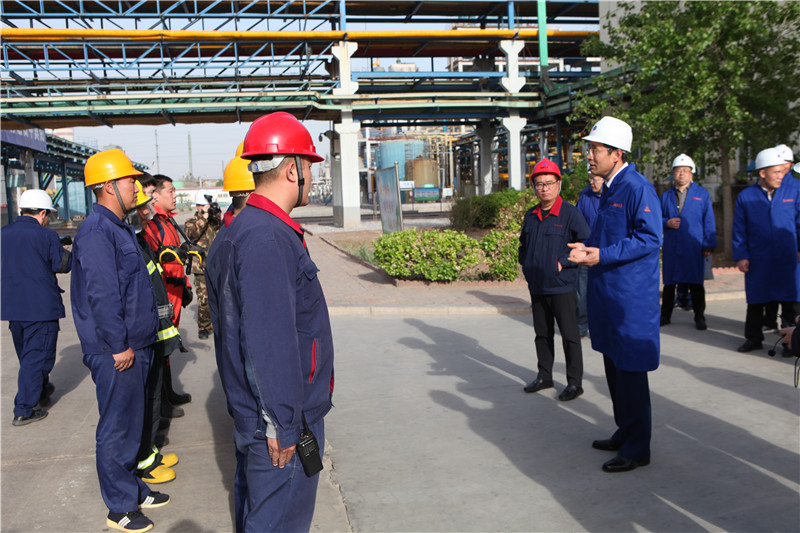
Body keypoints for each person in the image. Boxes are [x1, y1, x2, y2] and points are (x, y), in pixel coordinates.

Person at [205, 112, 333, 532]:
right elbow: (268, 342)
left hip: (264, 415)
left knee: (259, 515)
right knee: (279, 523)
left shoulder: (244, 229)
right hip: (279, 423)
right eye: (310, 164)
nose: (312, 175)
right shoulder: (267, 237)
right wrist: (283, 422)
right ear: (292, 168)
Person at [71, 149, 169, 533]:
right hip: (117, 350)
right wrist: (117, 345)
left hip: (137, 343)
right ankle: (120, 507)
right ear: (109, 186)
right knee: (117, 428)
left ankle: (133, 488)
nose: (136, 187)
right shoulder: (97, 231)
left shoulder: (119, 227)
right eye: (130, 181)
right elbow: (102, 294)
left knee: (134, 425)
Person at [568, 116, 662, 473]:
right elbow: (608, 236)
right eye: (589, 149)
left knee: (631, 370)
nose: (589, 156)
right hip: (609, 294)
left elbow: (650, 238)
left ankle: (638, 449)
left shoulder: (637, 188)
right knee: (614, 368)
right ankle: (625, 432)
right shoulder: (609, 188)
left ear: (617, 153)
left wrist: (602, 255)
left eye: (595, 150)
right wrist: (587, 247)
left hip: (630, 298)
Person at [519, 159, 590, 401]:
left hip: (562, 286)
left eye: (549, 183)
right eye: (539, 184)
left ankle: (574, 383)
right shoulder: (531, 215)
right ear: (534, 187)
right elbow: (523, 245)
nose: (544, 188)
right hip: (537, 285)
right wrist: (527, 265)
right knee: (542, 334)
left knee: (569, 336)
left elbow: (585, 244)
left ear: (558, 184)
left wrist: (563, 263)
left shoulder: (570, 214)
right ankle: (544, 376)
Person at [1, 189, 71, 426]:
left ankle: (40, 390)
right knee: (37, 359)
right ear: (42, 213)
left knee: (28, 356)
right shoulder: (46, 235)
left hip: (13, 308)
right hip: (41, 309)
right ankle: (25, 409)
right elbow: (62, 265)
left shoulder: (3, 234)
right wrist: (65, 251)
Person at [128, 180, 181, 484]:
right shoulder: (120, 241)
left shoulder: (137, 239)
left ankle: (150, 453)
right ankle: (144, 463)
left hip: (154, 332)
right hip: (139, 338)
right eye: (141, 207)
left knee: (153, 396)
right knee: (142, 401)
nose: (147, 212)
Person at [732, 147, 800, 354]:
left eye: (782, 172)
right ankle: (753, 338)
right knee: (756, 300)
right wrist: (741, 255)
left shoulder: (793, 192)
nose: (781, 176)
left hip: (787, 256)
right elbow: (739, 228)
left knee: (790, 300)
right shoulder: (746, 197)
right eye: (776, 172)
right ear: (763, 173)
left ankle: (790, 342)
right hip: (758, 256)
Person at [142, 174, 192, 414]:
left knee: (168, 343)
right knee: (162, 343)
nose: (175, 195)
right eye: (170, 191)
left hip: (175, 290)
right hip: (165, 293)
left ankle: (168, 393)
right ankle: (160, 402)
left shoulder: (167, 221)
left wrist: (186, 286)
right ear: (156, 195)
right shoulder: (151, 225)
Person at [659, 154, 717, 330]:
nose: (681, 174)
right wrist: (666, 223)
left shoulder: (702, 194)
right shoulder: (666, 196)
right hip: (672, 245)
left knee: (696, 283)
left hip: (693, 245)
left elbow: (709, 220)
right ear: (673, 174)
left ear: (691, 174)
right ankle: (665, 316)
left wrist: (708, 244)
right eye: (678, 171)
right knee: (669, 284)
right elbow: (656, 218)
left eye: (685, 171)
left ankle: (699, 317)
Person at [184, 191, 221, 339]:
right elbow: (192, 235)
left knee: (219, 296)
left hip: (216, 265)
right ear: (198, 206)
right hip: (200, 266)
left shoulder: (213, 222)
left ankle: (218, 323)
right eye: (205, 206)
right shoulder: (191, 222)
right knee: (204, 299)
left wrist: (215, 215)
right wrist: (203, 217)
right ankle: (204, 327)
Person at [575, 174, 604, 337]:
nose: (592, 182)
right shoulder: (585, 196)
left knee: (603, 292)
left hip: (605, 253)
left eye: (595, 179)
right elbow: (577, 221)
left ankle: (600, 326)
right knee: (582, 291)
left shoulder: (613, 195)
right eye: (590, 179)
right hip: (586, 251)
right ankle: (581, 326)